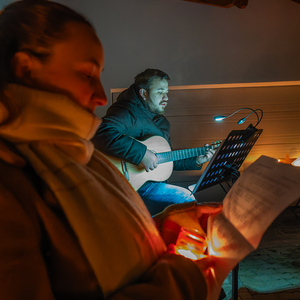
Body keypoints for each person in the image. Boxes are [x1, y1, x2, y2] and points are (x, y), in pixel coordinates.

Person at [0, 1, 225, 300]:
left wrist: (162, 228)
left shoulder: (78, 158)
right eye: (86, 74)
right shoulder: (10, 189)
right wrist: (194, 276)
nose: (99, 95)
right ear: (26, 70)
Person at [92, 69, 215, 215]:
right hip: (128, 186)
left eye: (167, 92)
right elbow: (101, 132)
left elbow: (166, 159)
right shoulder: (127, 111)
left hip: (152, 185)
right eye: (160, 92)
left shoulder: (162, 123)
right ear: (144, 94)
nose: (166, 98)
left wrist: (196, 160)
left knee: (184, 204)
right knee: (183, 199)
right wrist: (142, 154)